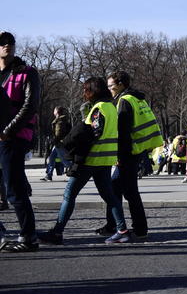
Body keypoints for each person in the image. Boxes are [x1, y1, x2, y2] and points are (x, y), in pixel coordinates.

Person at [38, 77, 130, 245]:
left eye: (85, 90)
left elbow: (93, 133)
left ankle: (57, 232)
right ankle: (122, 230)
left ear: (93, 91)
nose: (83, 93)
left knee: (69, 195)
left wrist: (75, 143)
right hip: (105, 159)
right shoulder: (110, 107)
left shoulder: (98, 108)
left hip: (90, 159)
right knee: (110, 197)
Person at [102, 71, 157, 241]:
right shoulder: (137, 98)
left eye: (111, 86)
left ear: (120, 84)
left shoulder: (124, 101)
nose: (109, 89)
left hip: (127, 152)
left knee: (129, 192)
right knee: (117, 189)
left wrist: (118, 156)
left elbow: (123, 132)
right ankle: (114, 225)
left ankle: (139, 229)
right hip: (137, 149)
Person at [0, 31, 40, 252]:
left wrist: (7, 131)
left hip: (14, 137)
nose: (7, 45)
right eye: (2, 43)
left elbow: (30, 105)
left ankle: (28, 236)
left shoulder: (27, 73)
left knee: (14, 188)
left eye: (10, 42)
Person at [42, 107, 72, 180]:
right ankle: (49, 175)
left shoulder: (60, 120)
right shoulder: (62, 119)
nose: (53, 111)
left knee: (64, 159)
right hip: (58, 142)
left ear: (57, 112)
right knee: (52, 158)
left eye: (54, 110)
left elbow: (58, 133)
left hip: (59, 143)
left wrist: (54, 140)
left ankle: (74, 170)